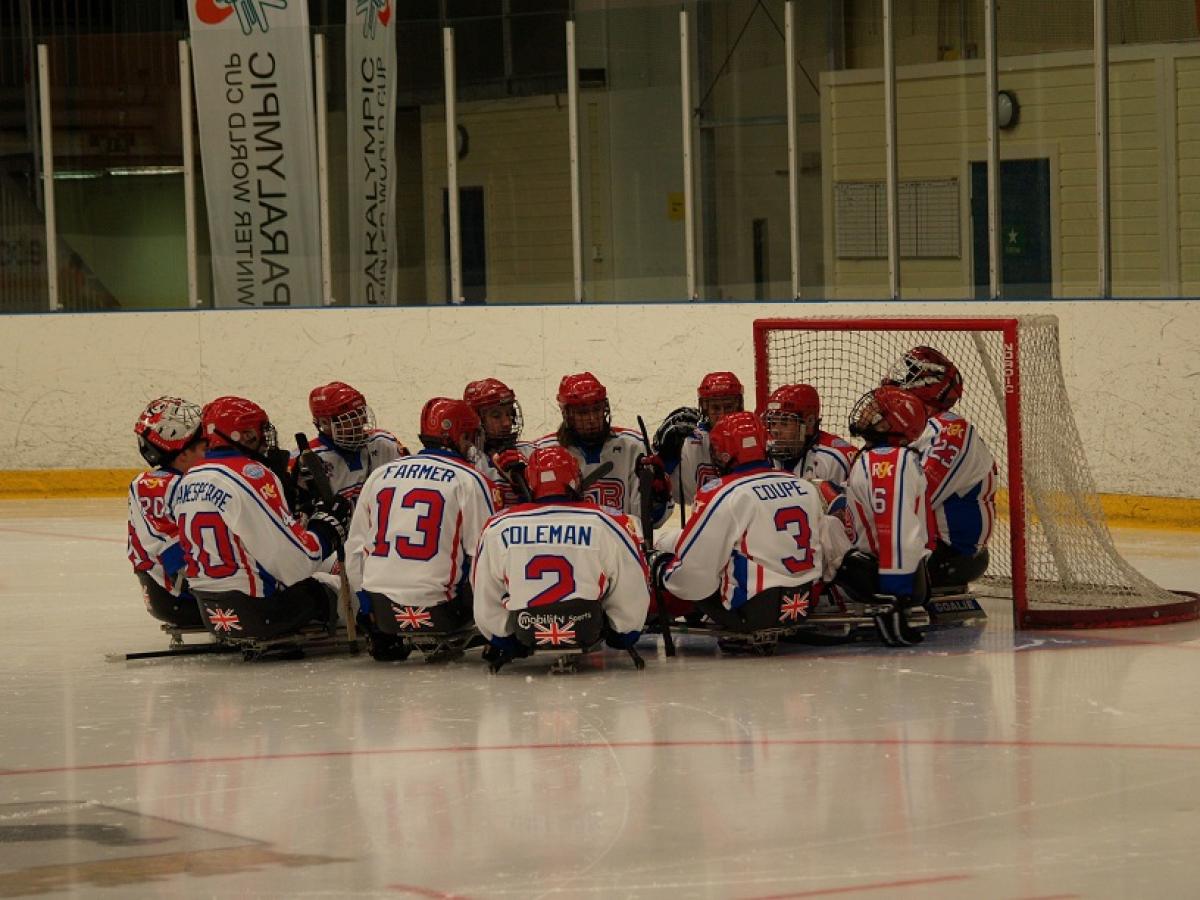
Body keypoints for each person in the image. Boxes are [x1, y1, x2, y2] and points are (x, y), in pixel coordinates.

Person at [173, 396, 351, 642]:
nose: (266, 439)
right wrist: (326, 529)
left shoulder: (188, 477)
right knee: (348, 583)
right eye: (259, 431)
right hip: (261, 612)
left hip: (212, 612)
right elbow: (296, 563)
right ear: (243, 435)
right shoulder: (250, 474)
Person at [650, 411, 840, 634]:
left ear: (722, 453)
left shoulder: (723, 494)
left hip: (753, 613)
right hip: (804, 604)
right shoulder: (804, 487)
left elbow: (694, 577)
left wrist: (662, 569)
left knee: (676, 560)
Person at [345, 397, 501, 661]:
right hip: (443, 612)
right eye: (470, 436)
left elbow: (355, 549)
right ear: (460, 437)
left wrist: (368, 607)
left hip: (384, 613)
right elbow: (486, 555)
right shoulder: (470, 479)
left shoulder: (380, 475)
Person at [472, 446, 650, 668]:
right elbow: (632, 582)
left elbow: (483, 591)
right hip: (587, 627)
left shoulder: (498, 526)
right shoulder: (606, 521)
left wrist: (503, 638)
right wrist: (622, 632)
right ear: (575, 479)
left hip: (527, 630)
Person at [882, 346, 996, 588]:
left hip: (950, 553)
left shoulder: (949, 430)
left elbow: (919, 496)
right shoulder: (915, 426)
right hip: (926, 543)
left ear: (928, 384)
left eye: (908, 375)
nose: (894, 381)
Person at [839, 386, 932, 646]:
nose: (866, 412)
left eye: (876, 410)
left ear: (892, 423)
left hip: (881, 579)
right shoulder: (883, 457)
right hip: (887, 573)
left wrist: (894, 599)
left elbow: (896, 527)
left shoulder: (888, 461)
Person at [536, 372, 673, 527]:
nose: (592, 419)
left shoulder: (633, 447)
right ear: (566, 414)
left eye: (597, 409)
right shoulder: (546, 453)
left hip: (621, 545)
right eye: (583, 413)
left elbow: (650, 522)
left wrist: (656, 499)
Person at [127, 396, 207, 629]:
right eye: (206, 446)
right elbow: (177, 561)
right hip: (181, 602)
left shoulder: (177, 480)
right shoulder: (158, 486)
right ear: (182, 455)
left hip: (177, 596)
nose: (213, 451)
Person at [299, 381, 409, 511]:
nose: (361, 422)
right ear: (325, 423)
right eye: (350, 417)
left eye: (360, 413)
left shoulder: (384, 443)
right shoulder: (308, 459)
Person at [655, 371, 746, 508]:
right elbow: (662, 493)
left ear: (738, 405)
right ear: (704, 408)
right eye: (715, 408)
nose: (722, 415)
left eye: (728, 407)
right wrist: (666, 458)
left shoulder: (751, 438)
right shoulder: (689, 440)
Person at [761, 383, 857, 484]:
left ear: (809, 422)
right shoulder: (764, 455)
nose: (775, 431)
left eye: (784, 423)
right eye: (773, 422)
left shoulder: (834, 459)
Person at [463, 377, 535, 506]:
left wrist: (529, 477)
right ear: (476, 419)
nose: (507, 423)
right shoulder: (466, 460)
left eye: (509, 414)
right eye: (496, 416)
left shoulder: (530, 453)